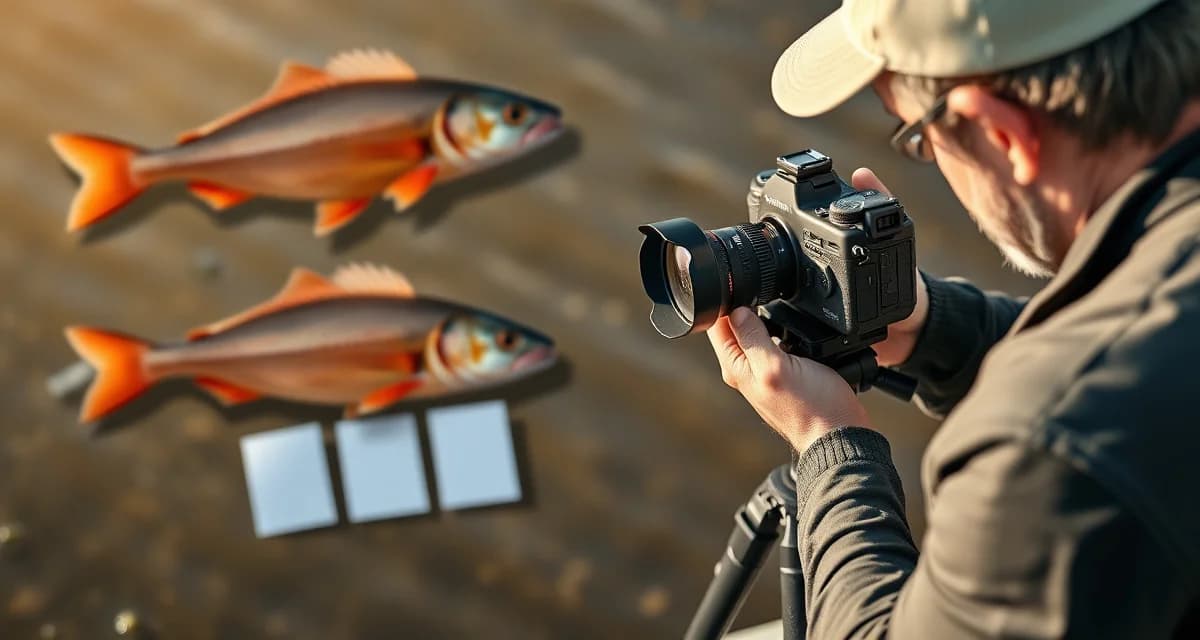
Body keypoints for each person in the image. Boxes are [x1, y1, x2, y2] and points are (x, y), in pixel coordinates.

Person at [707, 0, 1200, 636]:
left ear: (1002, 135)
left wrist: (829, 444)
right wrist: (929, 328)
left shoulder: (1044, 445)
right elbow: (1139, 372)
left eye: (919, 136)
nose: (932, 158)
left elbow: (1082, 410)